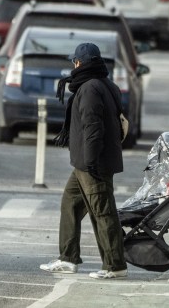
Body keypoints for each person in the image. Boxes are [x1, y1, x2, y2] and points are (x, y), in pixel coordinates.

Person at [40, 42, 128, 279]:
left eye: (74, 62)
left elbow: (93, 128)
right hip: (84, 163)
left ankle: (115, 266)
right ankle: (68, 258)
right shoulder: (105, 85)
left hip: (92, 162)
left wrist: (90, 161)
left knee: (103, 211)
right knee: (70, 203)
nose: (72, 66)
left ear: (80, 63)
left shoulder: (90, 89)